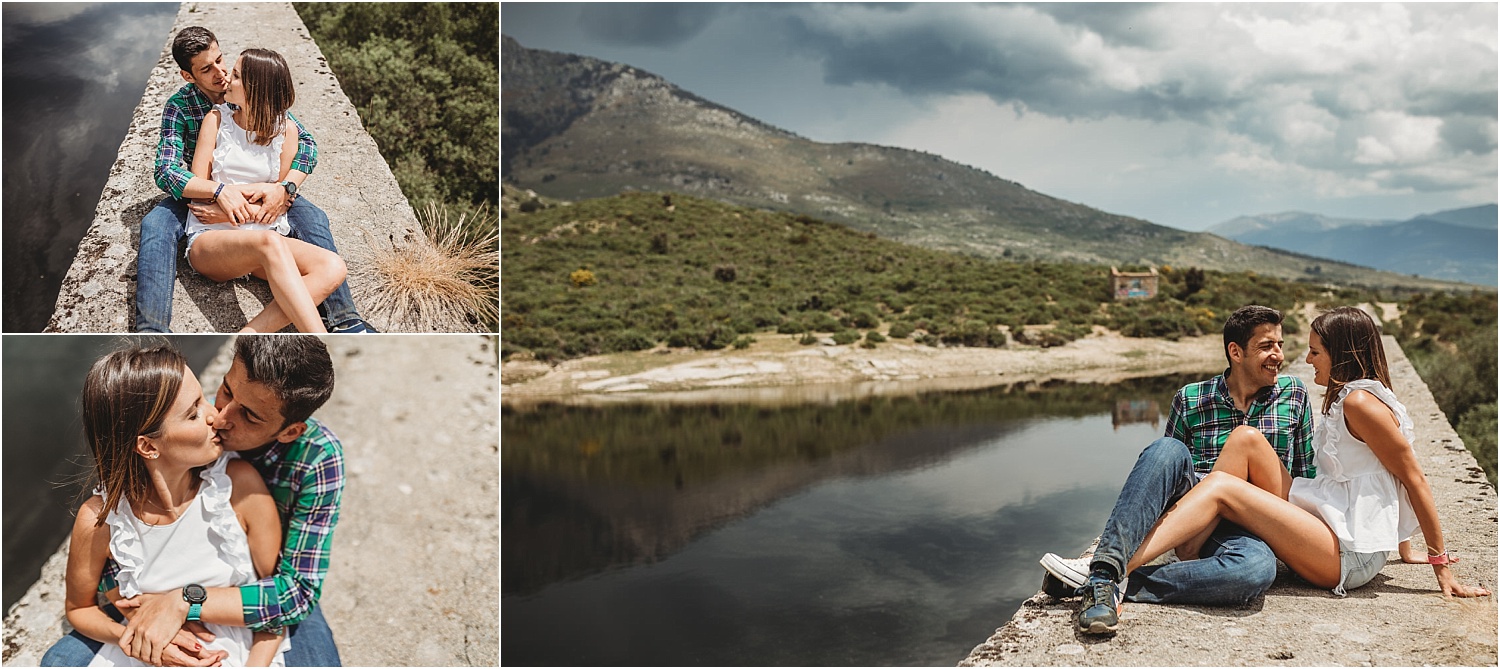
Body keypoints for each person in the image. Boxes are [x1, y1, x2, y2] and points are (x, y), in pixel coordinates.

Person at [1116, 306, 1490, 608]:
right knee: (1246, 438)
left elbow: (1412, 478)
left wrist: (1440, 566)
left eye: (1315, 351)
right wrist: (1404, 546)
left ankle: (1114, 570)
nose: (1306, 360)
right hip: (1334, 519)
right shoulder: (1349, 397)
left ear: (1341, 354)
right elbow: (1385, 476)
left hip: (1347, 553)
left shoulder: (1360, 403)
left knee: (1221, 487)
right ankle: (1187, 545)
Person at [43, 336, 345, 667]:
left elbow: (288, 594)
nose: (219, 415)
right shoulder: (107, 512)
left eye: (249, 416)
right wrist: (142, 614)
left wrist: (183, 602)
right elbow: (106, 573)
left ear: (288, 432)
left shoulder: (306, 464)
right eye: (226, 390)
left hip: (260, 603)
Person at [1038, 305, 1315, 634]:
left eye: (1280, 345)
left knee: (1254, 571)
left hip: (1251, 527)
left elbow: (1304, 477)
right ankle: (1104, 571)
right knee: (1166, 449)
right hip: (1194, 514)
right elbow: (1164, 477)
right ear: (1235, 352)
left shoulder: (1293, 394)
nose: (1278, 355)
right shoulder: (1191, 398)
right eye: (1267, 346)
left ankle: (1111, 581)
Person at [137, 26, 377, 333]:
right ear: (189, 76)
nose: (221, 74)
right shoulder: (183, 107)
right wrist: (219, 193)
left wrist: (283, 188)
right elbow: (167, 170)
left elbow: (307, 145)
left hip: (260, 201)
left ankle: (345, 321)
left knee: (314, 220)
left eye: (222, 61)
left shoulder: (265, 109)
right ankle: (151, 331)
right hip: (199, 191)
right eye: (207, 69)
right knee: (156, 224)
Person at [183, 47, 345, 333]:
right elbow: (198, 196)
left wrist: (231, 209)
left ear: (254, 89)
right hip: (211, 241)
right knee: (269, 243)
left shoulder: (287, 132)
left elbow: (279, 202)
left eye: (235, 76)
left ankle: (249, 334)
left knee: (333, 267)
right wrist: (257, 196)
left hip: (261, 239)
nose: (225, 80)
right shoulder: (215, 120)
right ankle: (323, 342)